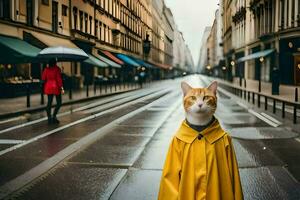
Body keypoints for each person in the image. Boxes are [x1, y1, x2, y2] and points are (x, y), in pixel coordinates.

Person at [42, 59, 64, 124]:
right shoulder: (57, 69)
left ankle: (49, 118)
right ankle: (54, 116)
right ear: (55, 63)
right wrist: (61, 87)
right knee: (59, 102)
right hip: (55, 86)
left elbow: (43, 78)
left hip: (48, 86)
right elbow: (58, 79)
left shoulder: (46, 69)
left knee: (49, 102)